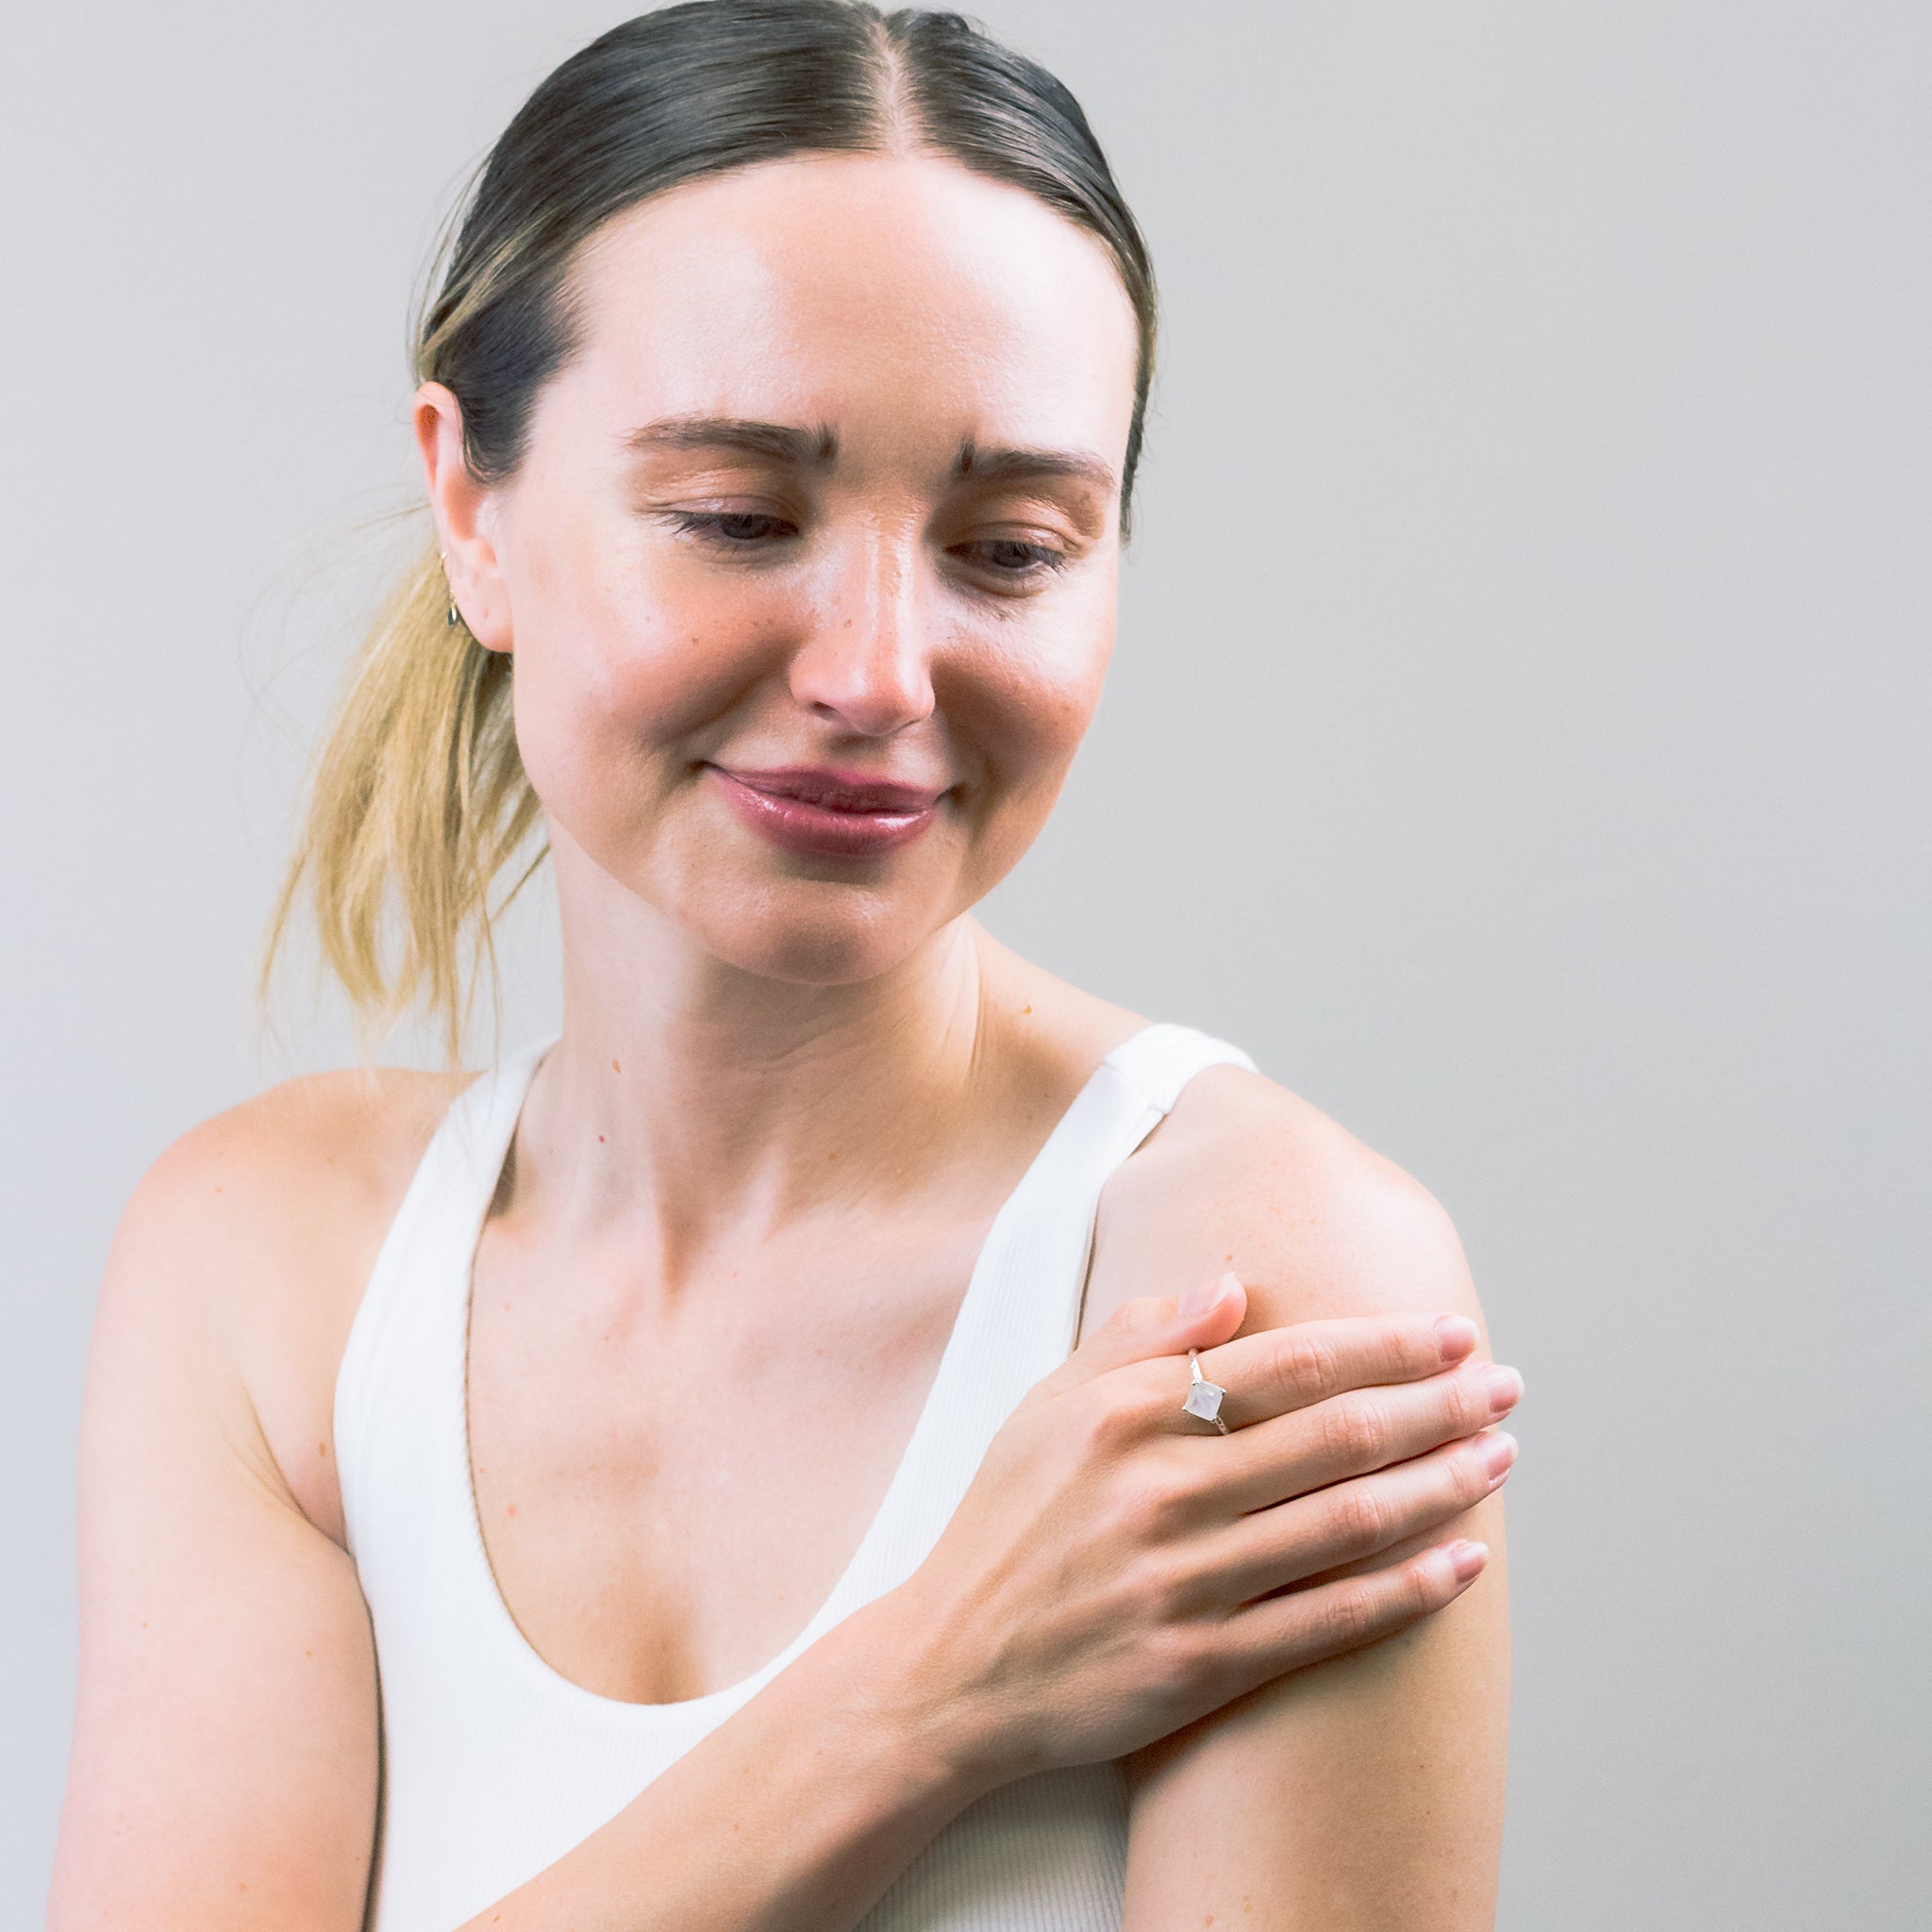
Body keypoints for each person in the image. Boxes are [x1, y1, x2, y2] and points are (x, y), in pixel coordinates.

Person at [49, 5, 1517, 1927]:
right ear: (472, 506)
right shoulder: (271, 1274)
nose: (879, 673)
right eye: (741, 515)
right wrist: (920, 1698)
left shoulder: (1242, 1289)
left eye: (1008, 547)